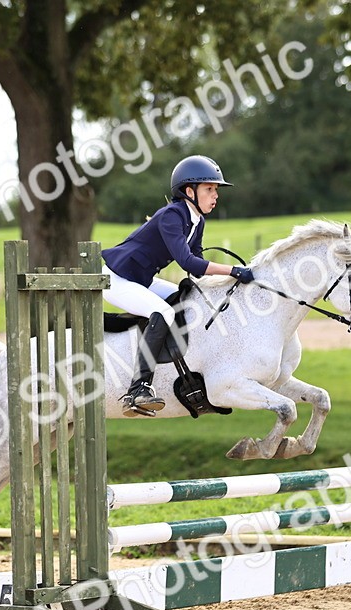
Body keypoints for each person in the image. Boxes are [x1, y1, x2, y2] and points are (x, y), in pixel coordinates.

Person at [103, 155, 255, 416]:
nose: (215, 196)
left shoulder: (197, 220)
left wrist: (227, 282)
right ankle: (137, 389)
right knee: (163, 312)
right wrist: (233, 271)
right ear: (189, 191)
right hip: (116, 279)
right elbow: (189, 262)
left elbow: (196, 265)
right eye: (209, 189)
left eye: (216, 190)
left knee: (185, 298)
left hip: (141, 280)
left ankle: (190, 376)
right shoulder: (172, 216)